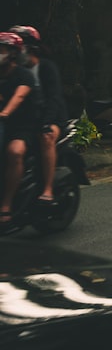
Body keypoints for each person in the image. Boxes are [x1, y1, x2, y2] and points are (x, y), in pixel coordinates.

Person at [10, 25, 67, 206]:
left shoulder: (47, 68)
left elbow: (54, 98)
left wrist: (47, 122)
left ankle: (47, 189)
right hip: (25, 120)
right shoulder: (14, 71)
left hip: (51, 118)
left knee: (46, 138)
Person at [0, 32, 42, 226]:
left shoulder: (23, 74)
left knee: (14, 152)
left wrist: (5, 113)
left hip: (22, 126)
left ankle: (6, 205)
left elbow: (19, 96)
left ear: (13, 54)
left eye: (2, 50)